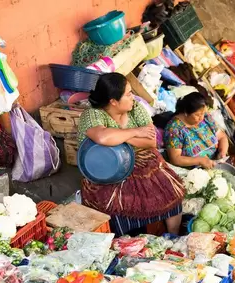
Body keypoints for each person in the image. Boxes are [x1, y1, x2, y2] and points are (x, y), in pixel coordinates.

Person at [78, 73, 185, 236]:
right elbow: (102, 137)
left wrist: (121, 138)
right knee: (119, 203)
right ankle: (127, 241)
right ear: (113, 101)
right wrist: (136, 132)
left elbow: (152, 142)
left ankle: (173, 235)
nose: (133, 97)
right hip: (110, 169)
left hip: (145, 161)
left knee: (172, 192)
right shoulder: (93, 114)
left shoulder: (135, 108)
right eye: (128, 94)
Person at [164, 92, 229, 169]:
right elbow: (175, 159)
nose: (201, 118)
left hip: (214, 165)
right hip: (194, 172)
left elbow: (222, 136)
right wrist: (200, 161)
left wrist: (222, 153)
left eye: (203, 113)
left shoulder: (206, 118)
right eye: (197, 115)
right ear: (186, 112)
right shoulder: (174, 129)